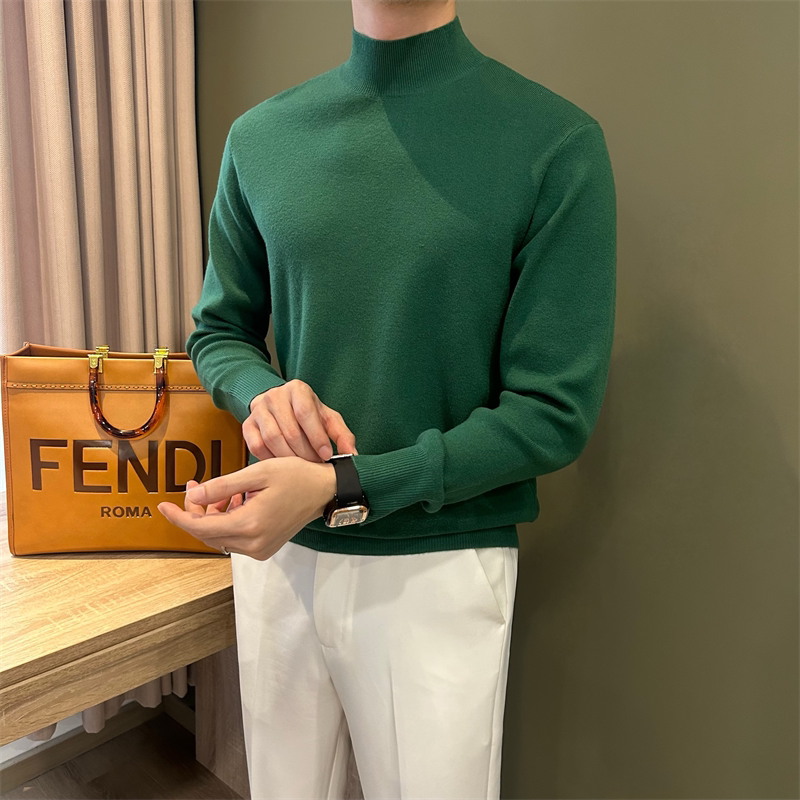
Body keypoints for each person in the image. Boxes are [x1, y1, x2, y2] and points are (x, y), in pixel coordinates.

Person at [158, 0, 616, 797]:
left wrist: (342, 485)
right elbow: (219, 330)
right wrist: (265, 395)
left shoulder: (553, 144)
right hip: (283, 553)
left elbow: (553, 413)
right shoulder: (261, 138)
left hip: (436, 563)